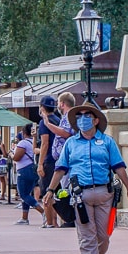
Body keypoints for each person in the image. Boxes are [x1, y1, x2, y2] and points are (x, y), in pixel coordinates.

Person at [42, 105, 128, 254]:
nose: (82, 119)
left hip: (103, 193)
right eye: (79, 116)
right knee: (87, 235)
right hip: (80, 194)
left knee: (103, 236)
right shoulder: (71, 143)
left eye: (86, 115)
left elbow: (119, 166)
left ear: (96, 120)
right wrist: (50, 190)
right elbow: (60, 169)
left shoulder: (107, 142)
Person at [44, 92, 77, 227]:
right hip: (62, 160)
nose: (58, 105)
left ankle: (71, 218)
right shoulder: (65, 117)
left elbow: (65, 132)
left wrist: (47, 124)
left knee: (67, 189)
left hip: (66, 161)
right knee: (64, 188)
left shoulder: (68, 116)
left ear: (62, 103)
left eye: (59, 102)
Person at [12, 123, 45, 225]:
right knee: (27, 193)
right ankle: (24, 217)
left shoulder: (23, 143)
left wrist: (10, 154)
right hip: (33, 169)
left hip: (24, 170)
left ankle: (43, 212)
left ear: (24, 132)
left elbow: (16, 158)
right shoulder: (35, 143)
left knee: (23, 194)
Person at [37, 95, 61, 228]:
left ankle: (50, 222)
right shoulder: (58, 120)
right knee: (56, 192)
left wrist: (40, 163)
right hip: (59, 160)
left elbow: (45, 143)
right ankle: (56, 221)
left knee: (47, 192)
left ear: (42, 107)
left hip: (49, 161)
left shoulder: (44, 123)